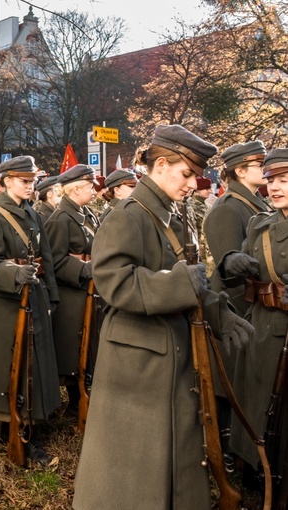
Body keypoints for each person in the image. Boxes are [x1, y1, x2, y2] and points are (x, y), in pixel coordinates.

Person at [73, 124, 255, 509]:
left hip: (170, 348)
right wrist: (176, 284)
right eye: (186, 173)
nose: (192, 183)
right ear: (159, 164)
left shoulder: (174, 213)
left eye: (196, 175)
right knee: (133, 467)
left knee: (173, 455)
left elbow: (192, 282)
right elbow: (113, 281)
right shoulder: (129, 214)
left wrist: (219, 314)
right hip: (137, 361)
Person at [0, 155, 61, 465]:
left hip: (35, 297)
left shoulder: (31, 214)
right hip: (6, 304)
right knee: (12, 367)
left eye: (32, 181)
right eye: (24, 181)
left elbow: (45, 256)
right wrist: (15, 273)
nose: (30, 185)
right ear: (5, 181)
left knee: (33, 365)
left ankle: (30, 420)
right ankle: (12, 429)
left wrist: (53, 295)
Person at [218, 147, 288, 492]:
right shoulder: (259, 223)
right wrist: (230, 262)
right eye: (272, 179)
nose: (275, 187)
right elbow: (240, 268)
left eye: (285, 180)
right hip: (262, 328)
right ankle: (256, 472)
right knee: (258, 405)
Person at [44, 164, 101, 417]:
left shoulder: (87, 213)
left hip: (90, 291)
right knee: (73, 348)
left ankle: (85, 395)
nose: (94, 190)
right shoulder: (60, 219)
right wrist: (83, 268)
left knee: (89, 347)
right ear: (75, 189)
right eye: (89, 186)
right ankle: (76, 401)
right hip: (72, 295)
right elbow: (53, 261)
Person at [204, 140, 271, 317]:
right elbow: (232, 275)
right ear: (240, 171)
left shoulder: (255, 202)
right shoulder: (226, 208)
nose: (267, 168)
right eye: (260, 164)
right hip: (238, 312)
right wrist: (253, 315)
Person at [192, 176, 213, 264]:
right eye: (207, 189)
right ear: (198, 189)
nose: (210, 191)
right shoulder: (192, 205)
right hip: (200, 249)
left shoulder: (206, 205)